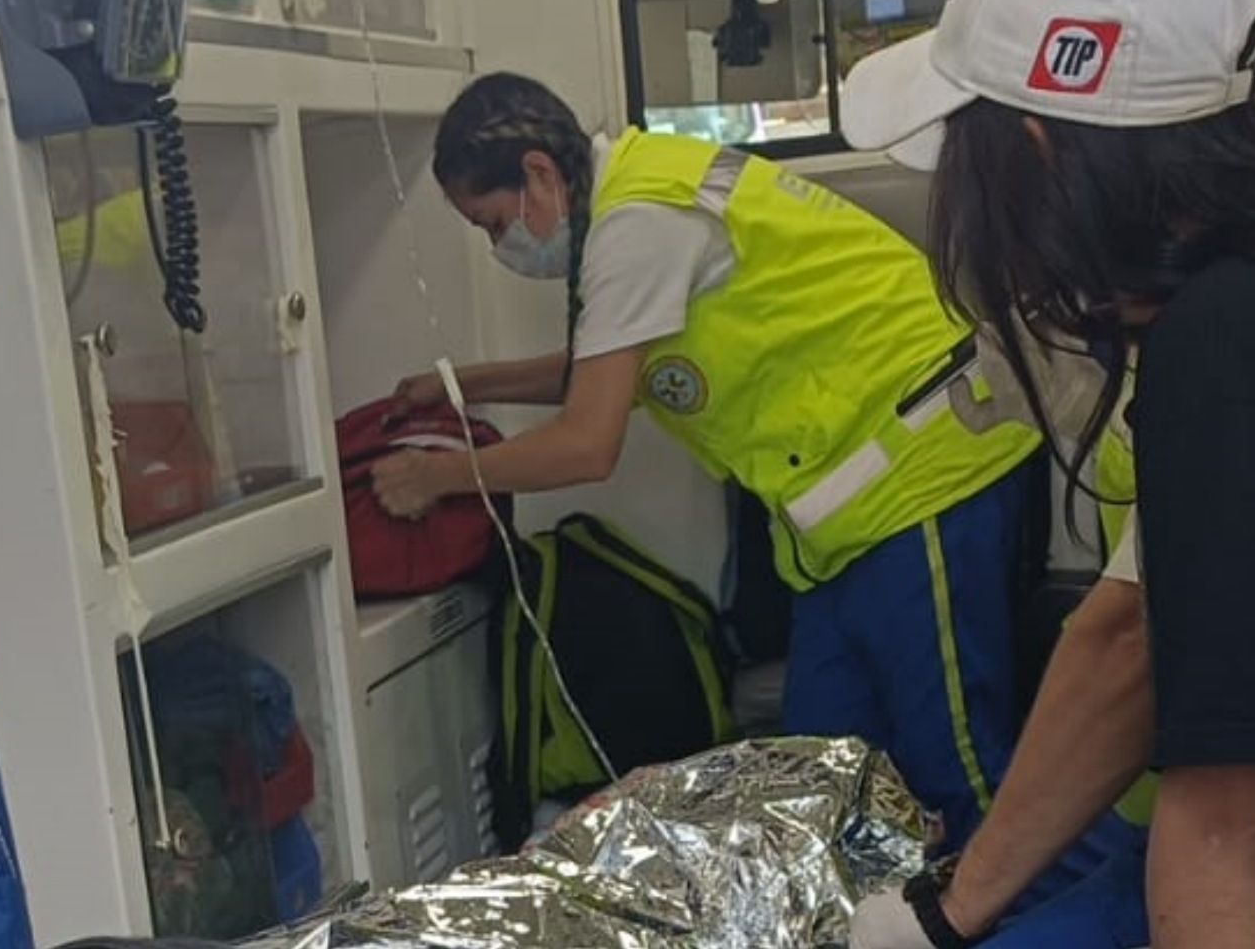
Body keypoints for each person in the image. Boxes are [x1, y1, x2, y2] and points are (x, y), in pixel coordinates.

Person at [372, 71, 1054, 858]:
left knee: (960, 772)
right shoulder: (640, 187)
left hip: (924, 472)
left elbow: (588, 441)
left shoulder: (638, 221)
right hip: (850, 520)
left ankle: (1046, 919)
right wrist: (463, 386)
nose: (502, 248)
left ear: (537, 173)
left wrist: (438, 476)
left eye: (494, 225)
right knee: (819, 782)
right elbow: (605, 367)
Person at [837, 0, 1255, 944]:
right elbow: (1140, 635)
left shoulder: (1230, 344)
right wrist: (949, 910)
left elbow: (1232, 831)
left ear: (1038, 145)